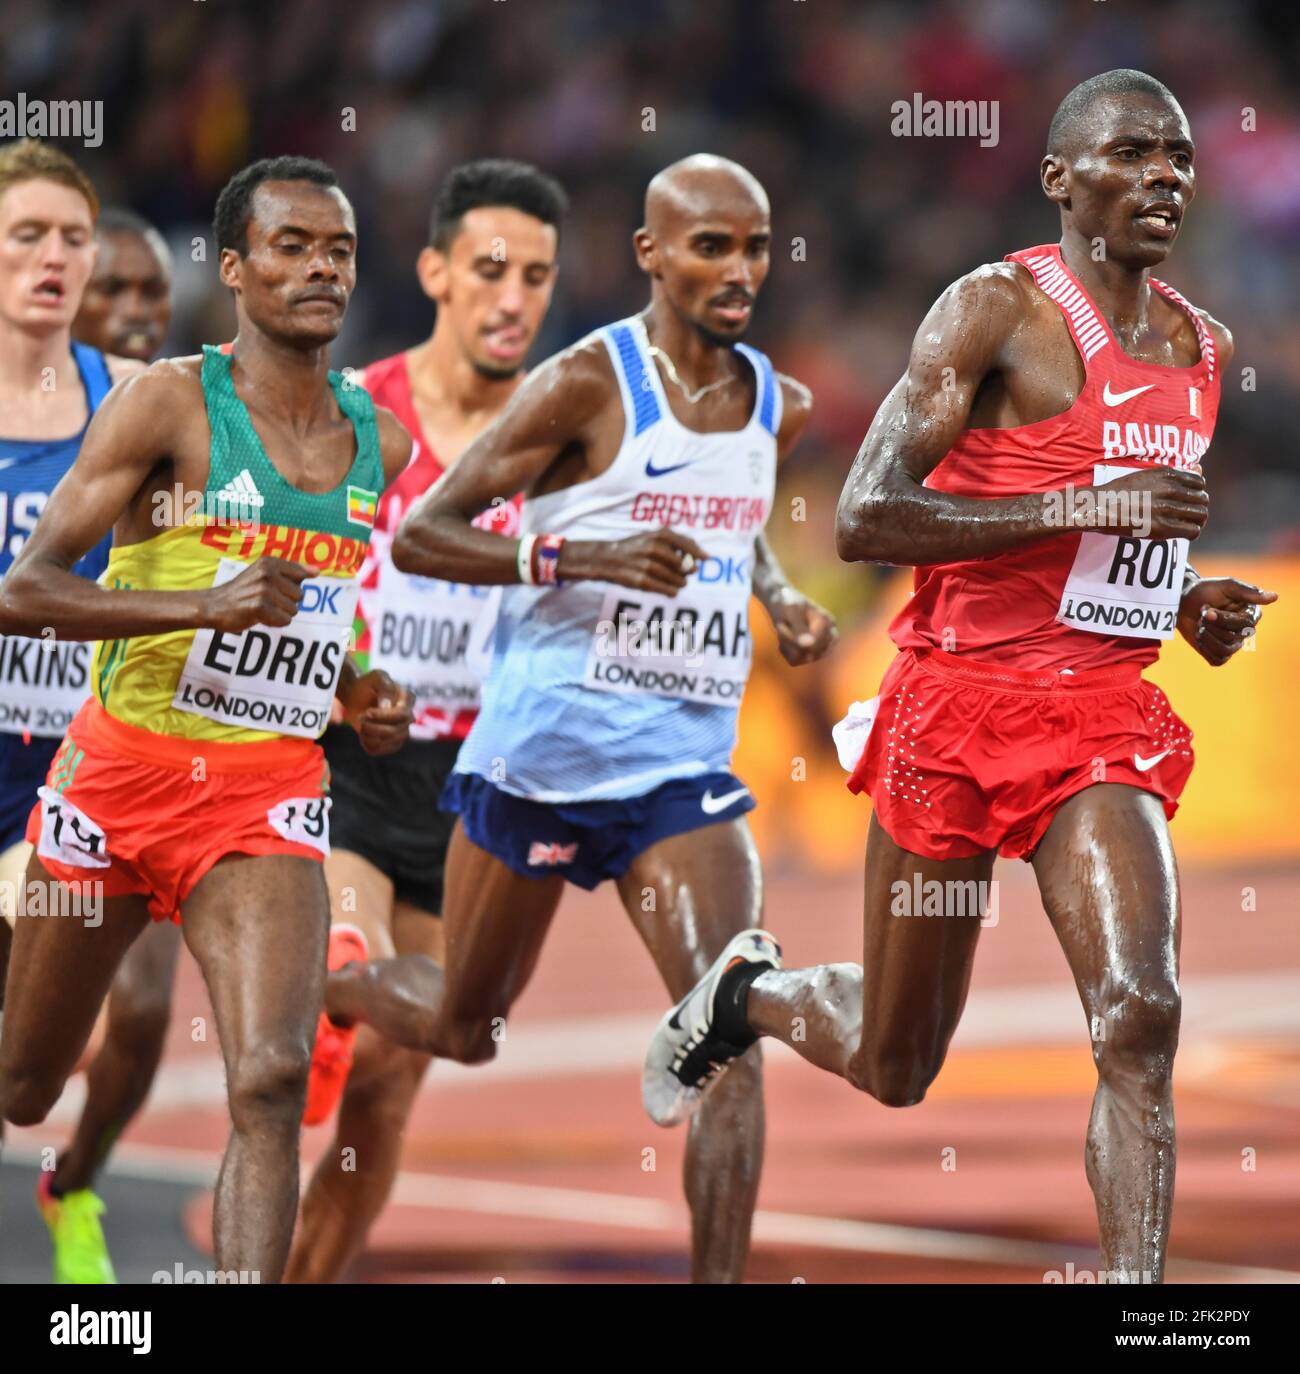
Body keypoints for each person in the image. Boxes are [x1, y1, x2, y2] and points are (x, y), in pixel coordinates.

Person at [642, 71, 1278, 1286]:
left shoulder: (1204, 345)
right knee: (895, 1063)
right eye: (1132, 155)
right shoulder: (992, 310)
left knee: (1139, 1013)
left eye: (1181, 159)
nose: (1164, 179)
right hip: (958, 705)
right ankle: (749, 996)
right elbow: (868, 517)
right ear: (1058, 180)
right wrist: (1094, 504)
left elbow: (1129, 538)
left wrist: (1183, 596)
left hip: (1098, 715)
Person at [309, 154, 837, 1283]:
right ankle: (332, 984)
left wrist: (782, 597)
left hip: (677, 770)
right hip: (539, 759)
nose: (740, 271)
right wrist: (574, 553)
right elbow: (425, 534)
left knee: (727, 1035)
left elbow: (736, 521)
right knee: (464, 1027)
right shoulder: (587, 384)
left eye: (754, 247)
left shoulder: (775, 402)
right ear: (651, 255)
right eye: (710, 247)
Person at [0, 155, 414, 1283]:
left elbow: (320, 612)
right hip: (116, 781)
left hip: (262, 793)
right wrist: (197, 601)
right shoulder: (170, 401)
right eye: (290, 246)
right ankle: (58, 1168)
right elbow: (25, 589)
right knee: (24, 1083)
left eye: (336, 249)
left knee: (272, 1078)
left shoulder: (374, 436)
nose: (319, 267)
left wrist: (358, 687)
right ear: (234, 269)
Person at [286, 158, 566, 1283]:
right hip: (356, 756)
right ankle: (323, 980)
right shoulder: (353, 412)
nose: (515, 298)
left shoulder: (563, 428)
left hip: (478, 780)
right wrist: (351, 677)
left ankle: (311, 1271)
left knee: (409, 1064)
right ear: (437, 271)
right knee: (349, 956)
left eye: (538, 276)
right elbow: (296, 578)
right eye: (492, 270)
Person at [0, 144, 146, 1281]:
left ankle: (76, 1184)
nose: (52, 258)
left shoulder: (129, 402)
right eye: (25, 236)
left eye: (70, 239)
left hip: (74, 771)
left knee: (95, 1032)